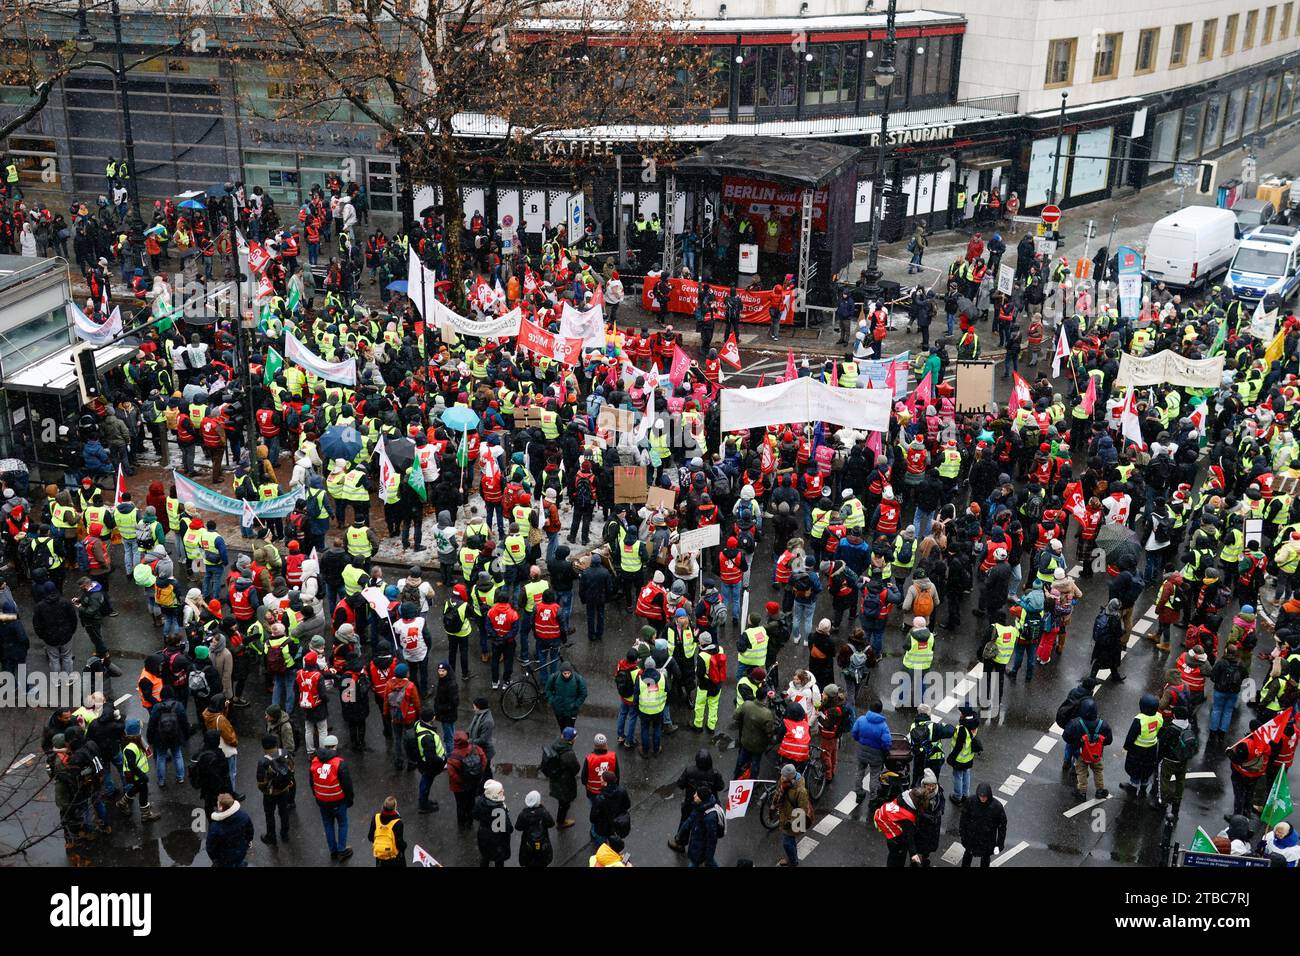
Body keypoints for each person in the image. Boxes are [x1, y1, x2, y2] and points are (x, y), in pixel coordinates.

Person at [668, 748, 725, 852]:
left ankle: (680, 843)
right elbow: (721, 786)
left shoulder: (689, 770)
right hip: (708, 805)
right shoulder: (715, 773)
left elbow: (680, 784)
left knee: (685, 822)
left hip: (691, 802)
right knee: (705, 828)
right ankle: (702, 852)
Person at [310, 734, 355, 861]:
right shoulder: (339, 763)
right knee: (342, 823)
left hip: (322, 801)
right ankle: (342, 850)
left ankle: (333, 850)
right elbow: (347, 784)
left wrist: (318, 796)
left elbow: (311, 782)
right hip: (338, 801)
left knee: (328, 825)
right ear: (335, 746)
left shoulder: (315, 761)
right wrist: (349, 799)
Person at [1063, 697, 1113, 801]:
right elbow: (1108, 741)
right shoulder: (1103, 725)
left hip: (1081, 754)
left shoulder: (1075, 723)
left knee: (1081, 773)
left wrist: (1076, 742)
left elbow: (1066, 737)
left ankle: (1082, 793)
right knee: (1098, 771)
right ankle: (1100, 790)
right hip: (1096, 755)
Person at [255, 732, 295, 846]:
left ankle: (271, 836)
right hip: (284, 790)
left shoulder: (263, 761)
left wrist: (265, 789)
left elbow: (261, 781)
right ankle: (285, 833)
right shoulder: (285, 753)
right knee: (284, 812)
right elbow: (292, 768)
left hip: (270, 794)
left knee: (269, 814)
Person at [541, 725, 581, 828]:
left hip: (555, 778)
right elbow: (576, 768)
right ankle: (561, 822)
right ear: (571, 740)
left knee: (561, 801)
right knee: (564, 803)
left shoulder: (556, 743)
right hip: (564, 782)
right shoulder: (568, 753)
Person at [775, 763, 814, 866]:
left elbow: (802, 810)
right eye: (782, 775)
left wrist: (791, 822)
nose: (782, 778)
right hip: (786, 816)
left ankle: (793, 862)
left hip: (794, 821)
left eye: (784, 776)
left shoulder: (801, 791)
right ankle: (792, 858)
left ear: (791, 777)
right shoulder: (785, 781)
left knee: (787, 843)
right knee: (789, 841)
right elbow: (778, 792)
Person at [958, 783, 1007, 867]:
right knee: (968, 855)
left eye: (984, 796)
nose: (982, 798)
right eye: (981, 796)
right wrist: (963, 833)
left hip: (987, 840)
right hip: (972, 837)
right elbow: (963, 819)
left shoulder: (997, 807)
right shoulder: (971, 802)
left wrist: (999, 844)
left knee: (984, 859)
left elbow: (1002, 826)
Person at [447, 730, 488, 828]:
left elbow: (452, 774)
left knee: (460, 805)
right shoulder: (476, 748)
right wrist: (479, 774)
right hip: (473, 783)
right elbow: (484, 760)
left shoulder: (453, 757)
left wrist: (462, 782)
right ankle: (470, 822)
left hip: (459, 787)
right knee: (471, 802)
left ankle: (461, 824)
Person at [472, 778, 513, 868]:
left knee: (485, 857)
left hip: (483, 836)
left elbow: (475, 815)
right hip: (497, 840)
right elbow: (508, 829)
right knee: (498, 860)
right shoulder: (499, 810)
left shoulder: (481, 802)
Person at [205, 793, 254, 868]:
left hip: (224, 858)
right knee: (238, 862)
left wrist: (215, 859)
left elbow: (210, 847)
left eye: (218, 803)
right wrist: (247, 842)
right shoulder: (244, 816)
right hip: (241, 851)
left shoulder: (215, 827)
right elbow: (250, 831)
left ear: (221, 808)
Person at [514, 790, 556, 869]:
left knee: (528, 860)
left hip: (528, 843)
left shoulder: (523, 814)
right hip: (542, 842)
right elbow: (551, 824)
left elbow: (518, 827)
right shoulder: (543, 813)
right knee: (542, 860)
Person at [686, 785, 724, 867]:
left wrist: (708, 857)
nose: (694, 795)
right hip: (697, 844)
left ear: (702, 799)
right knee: (710, 862)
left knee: (694, 863)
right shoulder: (700, 806)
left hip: (699, 848)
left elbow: (712, 839)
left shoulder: (710, 818)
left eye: (697, 795)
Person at [545, 661, 588, 732]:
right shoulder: (554, 677)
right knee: (562, 729)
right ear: (561, 672)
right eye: (565, 673)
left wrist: (576, 704)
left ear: (571, 672)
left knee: (569, 731)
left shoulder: (578, 679)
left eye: (569, 673)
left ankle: (567, 742)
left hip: (571, 712)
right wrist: (552, 701)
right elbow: (548, 690)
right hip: (559, 711)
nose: (567, 675)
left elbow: (583, 693)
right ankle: (564, 741)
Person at [368, 795, 407, 867]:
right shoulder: (398, 823)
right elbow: (399, 843)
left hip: (380, 856)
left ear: (383, 806)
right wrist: (404, 845)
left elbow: (370, 837)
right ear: (395, 807)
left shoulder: (376, 818)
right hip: (393, 858)